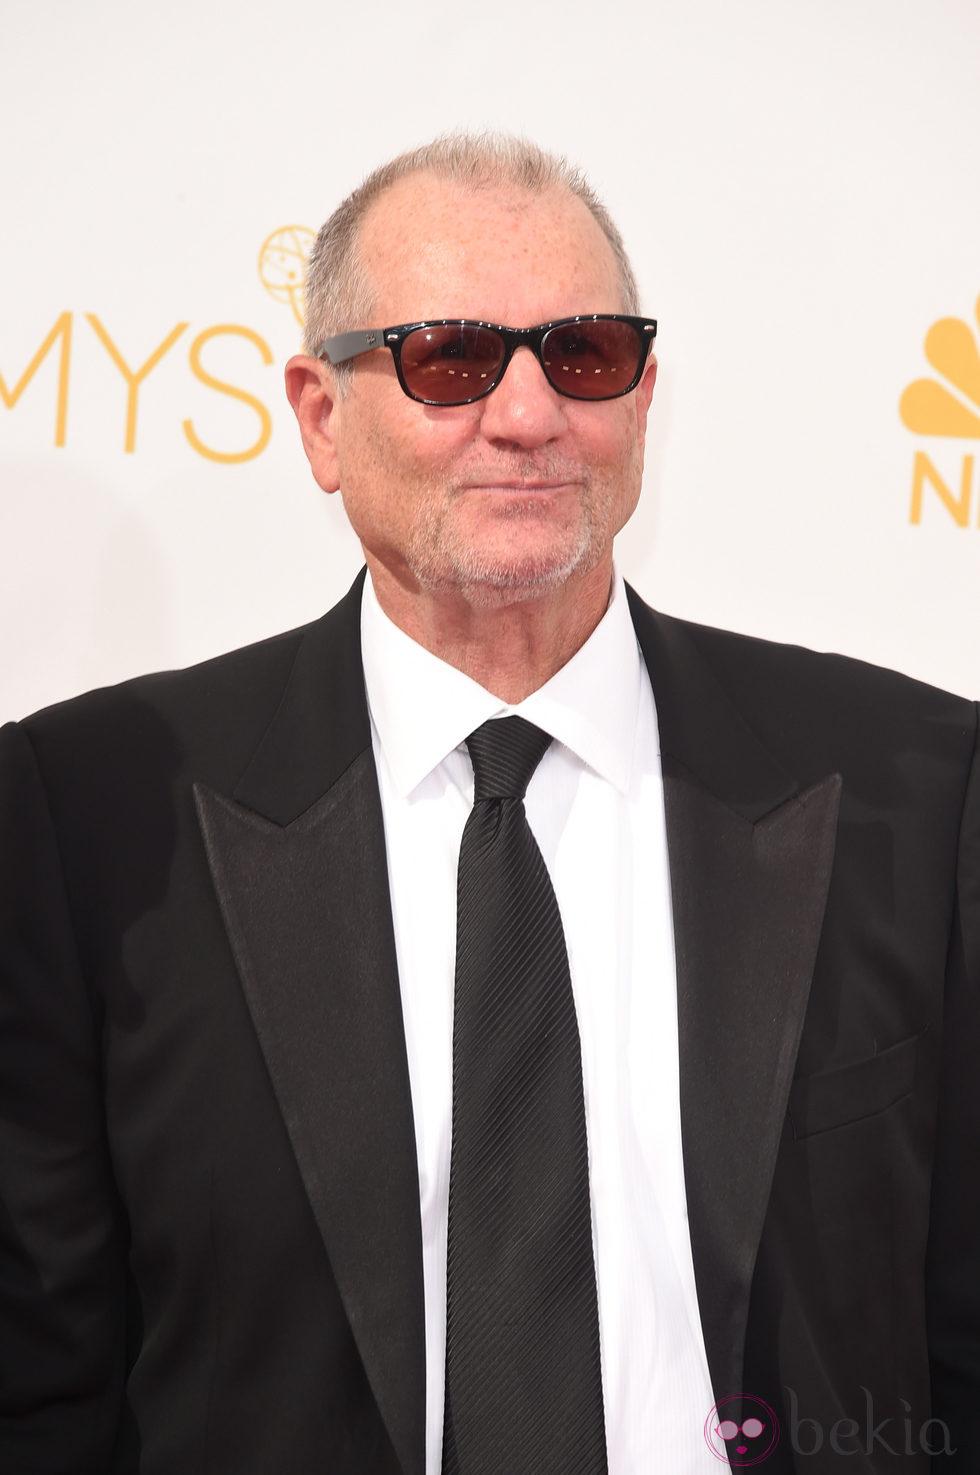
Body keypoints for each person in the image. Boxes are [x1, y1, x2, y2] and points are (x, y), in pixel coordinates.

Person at [0, 133, 977, 1475]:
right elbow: (43, 1381)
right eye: (450, 358)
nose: (527, 415)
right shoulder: (88, 815)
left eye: (583, 355)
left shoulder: (920, 787)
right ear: (320, 415)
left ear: (641, 398)